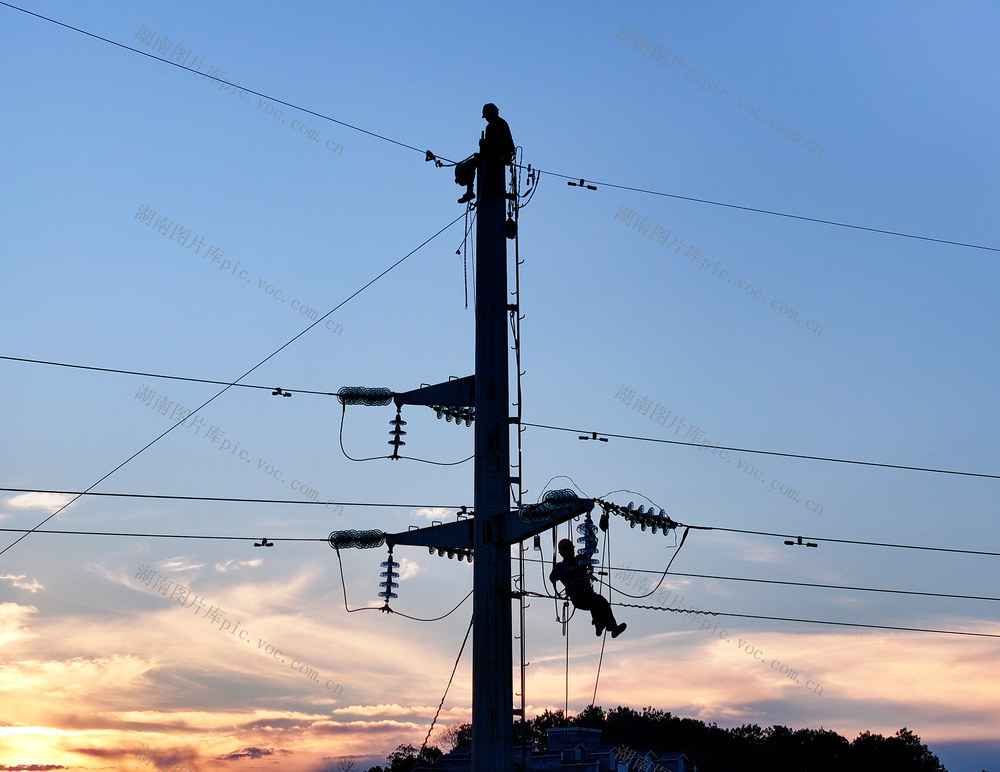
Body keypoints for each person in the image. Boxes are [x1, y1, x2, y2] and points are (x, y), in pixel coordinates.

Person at [550, 539, 627, 638]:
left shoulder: (579, 560)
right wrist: (567, 570)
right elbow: (552, 578)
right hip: (578, 597)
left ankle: (600, 625)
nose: (572, 552)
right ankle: (610, 627)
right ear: (564, 553)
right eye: (569, 551)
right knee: (600, 602)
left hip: (587, 594)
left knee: (596, 603)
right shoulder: (561, 566)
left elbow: (590, 550)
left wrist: (590, 534)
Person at [455, 103, 516, 204]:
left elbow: (500, 143)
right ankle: (469, 191)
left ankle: (471, 191)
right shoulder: (496, 125)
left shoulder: (498, 125)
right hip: (496, 155)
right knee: (474, 162)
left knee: (474, 163)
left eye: (487, 116)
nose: (486, 119)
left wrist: (485, 143)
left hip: (500, 156)